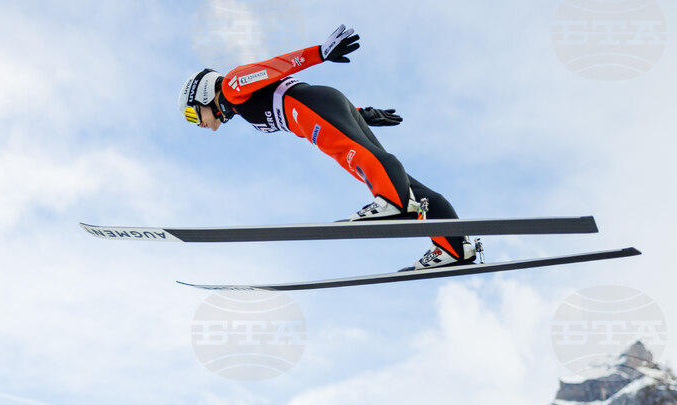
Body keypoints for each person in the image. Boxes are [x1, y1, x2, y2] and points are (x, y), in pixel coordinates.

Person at [179, 25, 477, 271]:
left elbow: (274, 67)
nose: (199, 124)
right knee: (403, 184)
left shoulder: (231, 86)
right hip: (321, 106)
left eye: (194, 115)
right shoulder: (238, 105)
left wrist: (320, 54)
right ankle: (453, 245)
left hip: (309, 108)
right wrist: (362, 113)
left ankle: (393, 203)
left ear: (203, 94)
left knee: (354, 156)